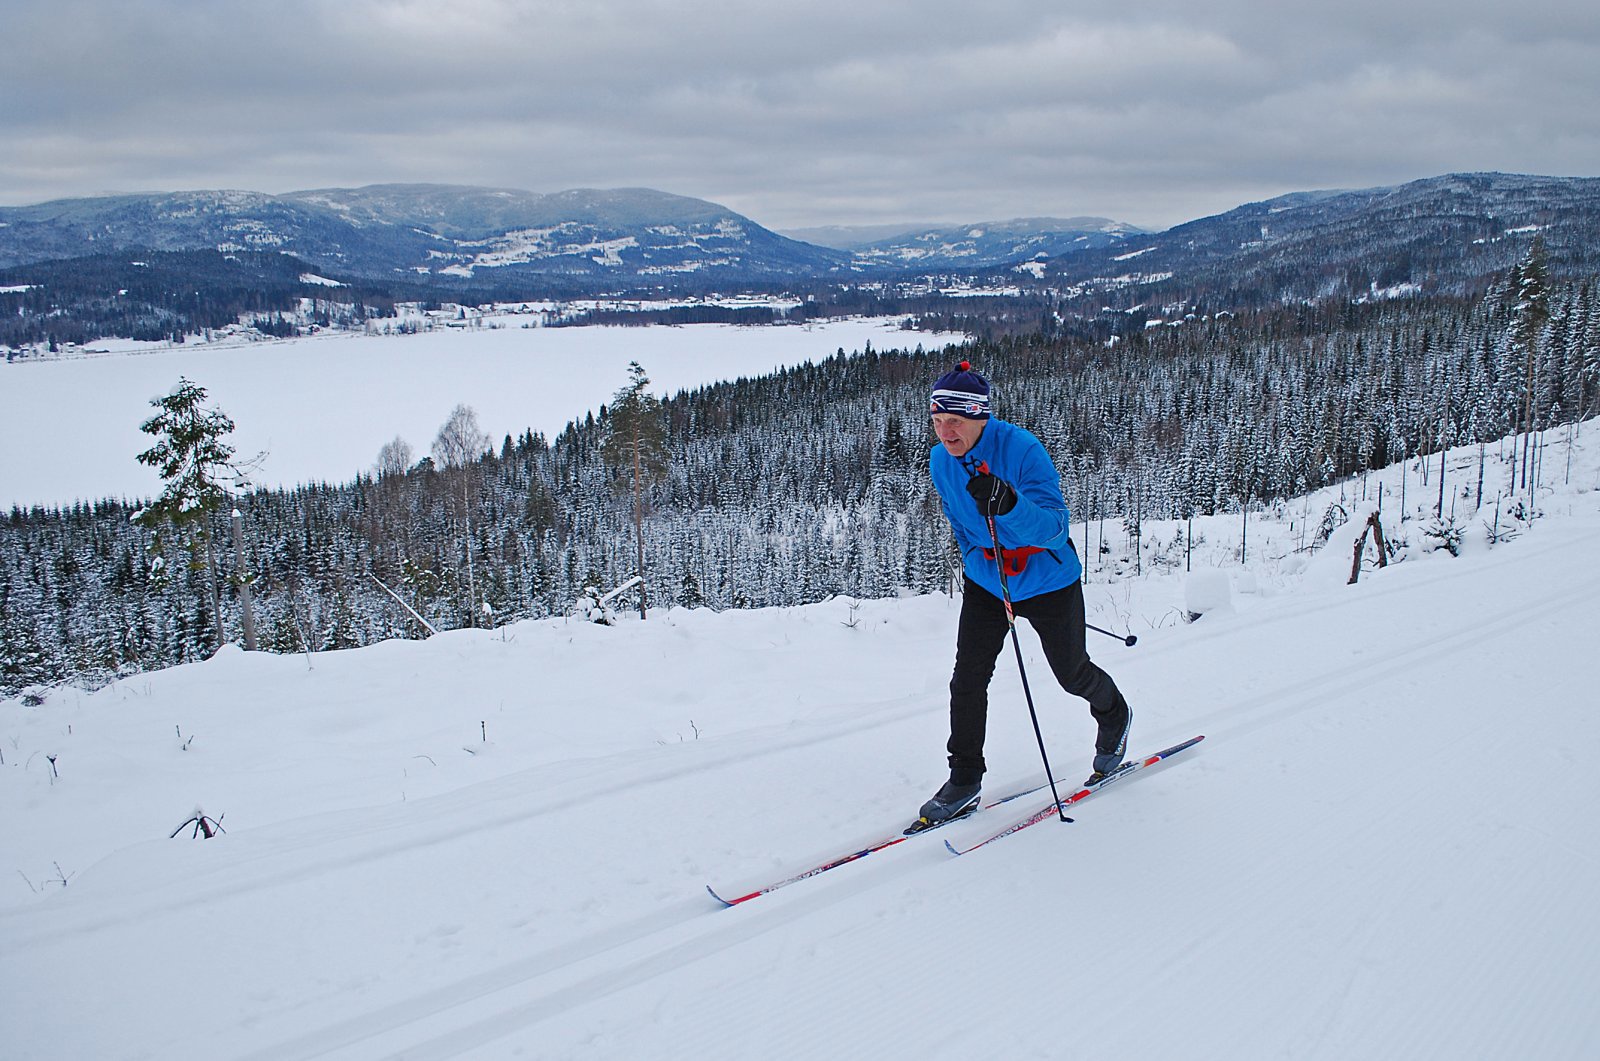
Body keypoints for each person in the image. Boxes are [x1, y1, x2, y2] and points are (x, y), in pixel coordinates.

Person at [919, 360, 1133, 824]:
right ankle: (965, 778)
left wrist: (1010, 504)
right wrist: (981, 566)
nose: (946, 433)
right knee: (967, 680)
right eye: (937, 422)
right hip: (987, 582)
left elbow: (1056, 529)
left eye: (955, 421)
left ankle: (1114, 713)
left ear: (981, 417)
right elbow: (960, 524)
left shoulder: (1022, 450)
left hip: (1048, 580)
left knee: (1071, 674)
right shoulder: (941, 461)